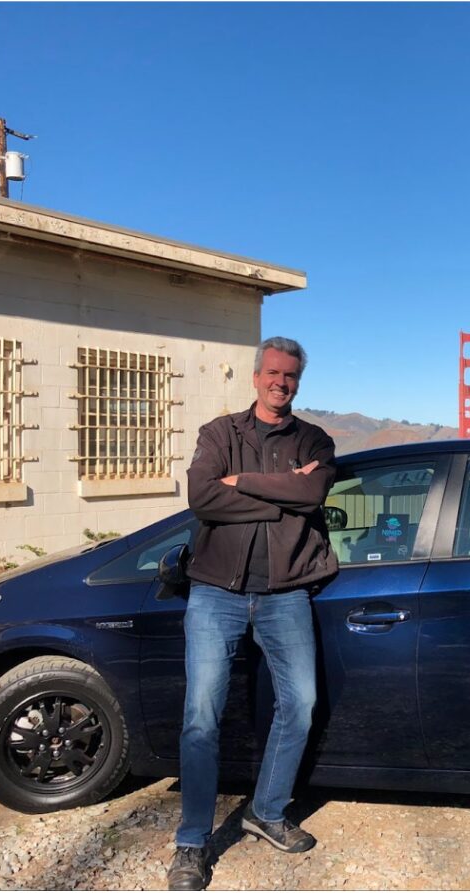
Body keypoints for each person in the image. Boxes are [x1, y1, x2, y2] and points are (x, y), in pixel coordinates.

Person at [167, 336, 338, 891]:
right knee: (201, 718)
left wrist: (244, 483)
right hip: (216, 591)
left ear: (298, 381)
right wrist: (284, 491)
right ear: (255, 375)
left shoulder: (315, 438)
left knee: (302, 704)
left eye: (289, 376)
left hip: (286, 592)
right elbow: (203, 498)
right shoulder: (220, 433)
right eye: (271, 373)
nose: (279, 383)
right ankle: (192, 843)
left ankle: (266, 810)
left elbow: (312, 493)